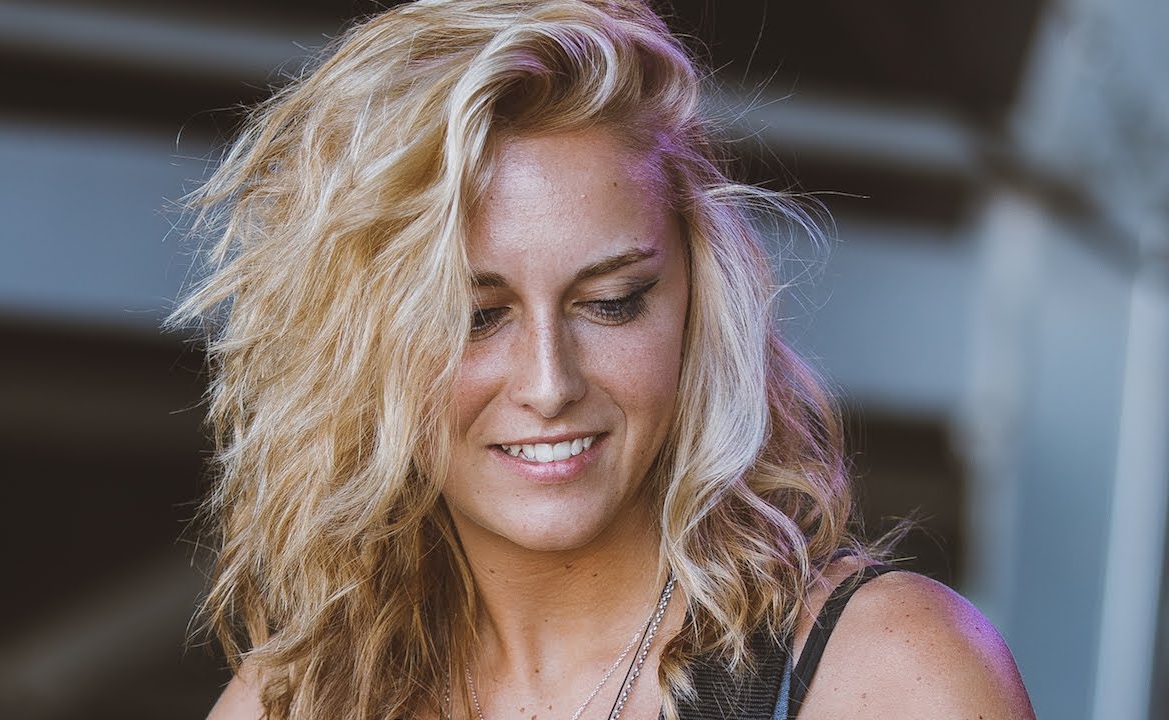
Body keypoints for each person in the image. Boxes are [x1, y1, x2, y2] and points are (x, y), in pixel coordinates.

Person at [170, 1, 1036, 718]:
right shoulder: (292, 701)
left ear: (699, 301)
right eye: (475, 318)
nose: (550, 384)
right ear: (357, 348)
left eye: (611, 302)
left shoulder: (889, 675)